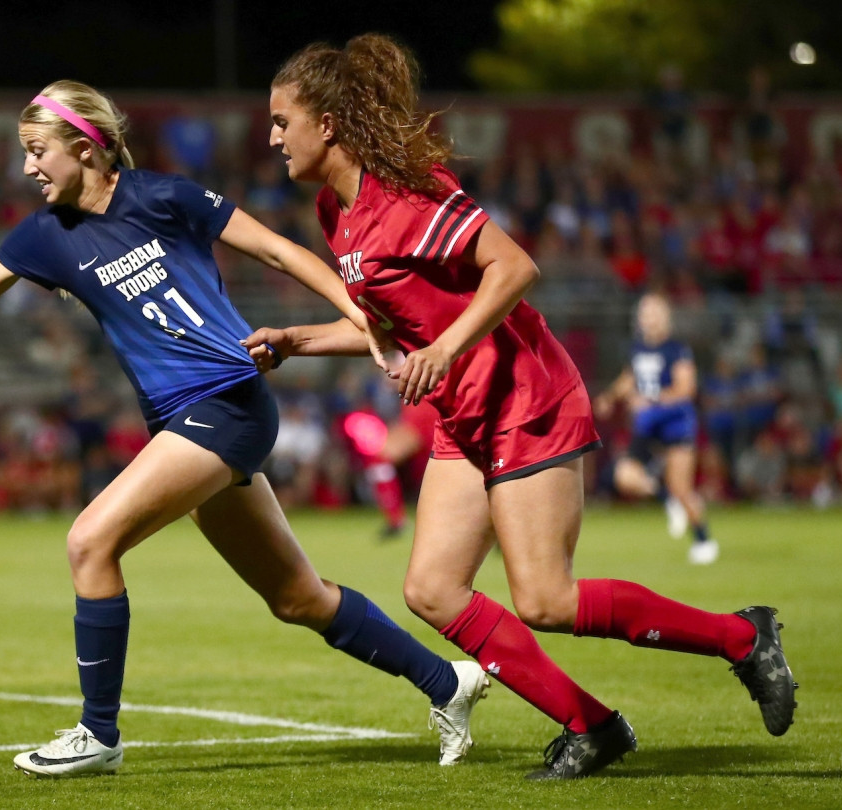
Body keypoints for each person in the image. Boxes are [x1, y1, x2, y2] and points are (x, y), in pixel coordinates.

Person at [0, 80, 489, 778]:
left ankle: (98, 734)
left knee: (90, 541)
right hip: (183, 421)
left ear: (84, 148)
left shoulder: (164, 196)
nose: (27, 168)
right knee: (299, 599)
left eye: (37, 151)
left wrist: (357, 315)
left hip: (229, 403)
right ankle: (449, 682)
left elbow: (279, 252)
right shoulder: (44, 237)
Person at [248, 34, 797, 780]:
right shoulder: (335, 213)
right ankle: (592, 726)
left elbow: (514, 266)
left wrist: (444, 350)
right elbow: (391, 327)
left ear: (329, 125)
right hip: (466, 412)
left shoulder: (407, 198)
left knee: (544, 598)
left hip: (524, 398)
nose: (272, 137)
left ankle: (741, 637)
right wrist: (296, 340)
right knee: (433, 590)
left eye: (282, 122)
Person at [594, 293, 720, 564]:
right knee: (625, 476)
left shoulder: (676, 349)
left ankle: (703, 539)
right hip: (647, 425)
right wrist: (610, 397)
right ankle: (666, 499)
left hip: (675, 423)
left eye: (654, 312)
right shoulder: (637, 348)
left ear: (666, 318)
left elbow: (686, 389)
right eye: (645, 312)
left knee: (682, 487)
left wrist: (650, 400)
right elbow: (630, 378)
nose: (648, 318)